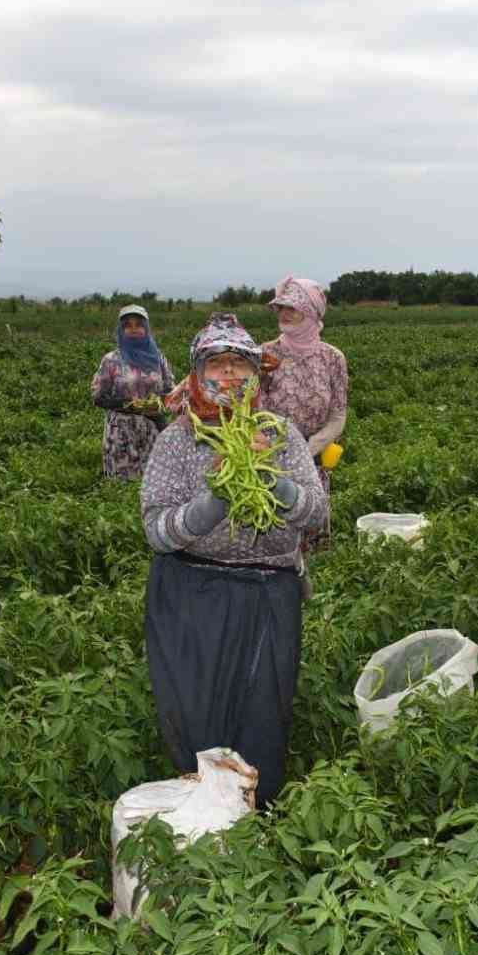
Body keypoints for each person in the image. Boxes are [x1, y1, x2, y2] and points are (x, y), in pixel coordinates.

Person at [140, 312, 329, 806]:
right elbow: (157, 532)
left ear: (256, 374)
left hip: (269, 595)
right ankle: (203, 814)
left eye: (240, 365)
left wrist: (271, 480)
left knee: (262, 714)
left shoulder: (280, 435)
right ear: (197, 371)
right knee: (196, 713)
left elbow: (316, 514)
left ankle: (257, 816)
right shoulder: (177, 439)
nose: (229, 375)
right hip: (191, 597)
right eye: (217, 363)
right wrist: (215, 499)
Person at [258, 275, 347, 548]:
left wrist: (310, 448)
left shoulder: (332, 358)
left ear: (310, 313)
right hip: (270, 456)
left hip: (315, 459)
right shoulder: (264, 354)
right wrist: (275, 449)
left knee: (311, 533)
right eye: (281, 308)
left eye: (291, 308)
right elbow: (251, 406)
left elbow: (338, 415)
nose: (283, 314)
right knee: (271, 533)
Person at [91, 304, 177, 480]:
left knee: (154, 482)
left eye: (138, 325)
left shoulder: (157, 359)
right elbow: (98, 397)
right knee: (122, 486)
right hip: (121, 432)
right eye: (128, 326)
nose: (134, 329)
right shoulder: (112, 360)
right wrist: (126, 404)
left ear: (146, 329)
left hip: (152, 429)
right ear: (121, 330)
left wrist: (157, 404)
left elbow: (170, 390)